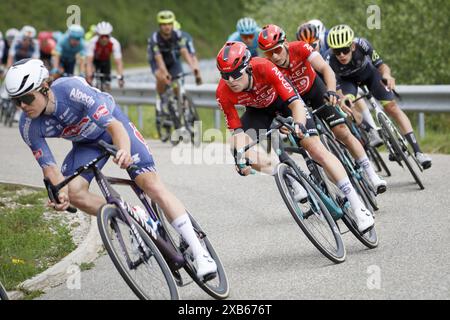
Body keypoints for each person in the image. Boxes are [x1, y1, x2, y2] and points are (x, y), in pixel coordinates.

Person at [4, 58, 217, 280]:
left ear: (44, 88)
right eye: (15, 101)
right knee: (74, 192)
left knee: (150, 184)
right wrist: (61, 195)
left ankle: (200, 252)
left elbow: (114, 127)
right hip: (86, 144)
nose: (22, 106)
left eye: (26, 98)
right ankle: (132, 216)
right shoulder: (28, 126)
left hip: (113, 129)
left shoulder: (72, 91)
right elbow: (50, 170)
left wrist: (123, 151)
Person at [216, 41, 375, 233]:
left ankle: (358, 206)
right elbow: (237, 132)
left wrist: (298, 125)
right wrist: (240, 158)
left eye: (235, 74)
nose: (231, 80)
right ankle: (285, 174)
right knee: (238, 149)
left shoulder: (265, 67)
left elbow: (296, 104)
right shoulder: (223, 92)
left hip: (286, 102)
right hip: (258, 112)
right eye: (225, 76)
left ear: (247, 68)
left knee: (315, 149)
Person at [258, 24, 386, 193]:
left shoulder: (301, 47)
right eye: (269, 53)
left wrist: (331, 90)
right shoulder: (268, 66)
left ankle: (372, 175)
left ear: (286, 43)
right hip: (294, 102)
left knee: (342, 131)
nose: (274, 56)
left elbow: (325, 69)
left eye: (277, 50)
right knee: (313, 147)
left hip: (315, 91)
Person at [325, 25, 432, 169]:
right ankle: (370, 130)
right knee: (346, 107)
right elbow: (334, 85)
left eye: (345, 50)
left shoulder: (363, 44)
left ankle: (418, 152)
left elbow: (382, 65)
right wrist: (342, 99)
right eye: (337, 52)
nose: (342, 55)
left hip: (369, 75)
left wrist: (387, 76)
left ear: (353, 46)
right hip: (347, 82)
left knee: (391, 107)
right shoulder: (328, 59)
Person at [147, 10, 201, 126]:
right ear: (160, 26)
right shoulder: (155, 38)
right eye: (164, 24)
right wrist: (165, 73)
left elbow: (184, 51)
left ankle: (178, 104)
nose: (167, 27)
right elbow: (158, 58)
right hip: (157, 60)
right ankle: (161, 101)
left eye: (169, 24)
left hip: (171, 60)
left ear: (172, 24)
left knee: (177, 84)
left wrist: (193, 68)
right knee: (162, 78)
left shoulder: (177, 35)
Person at [86, 21, 125, 90]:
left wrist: (120, 77)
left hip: (105, 61)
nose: (104, 39)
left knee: (107, 85)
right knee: (89, 81)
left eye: (106, 36)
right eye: (102, 36)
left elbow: (118, 62)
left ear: (110, 35)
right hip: (95, 61)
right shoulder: (92, 42)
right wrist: (89, 74)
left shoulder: (114, 43)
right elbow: (89, 61)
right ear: (98, 35)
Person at [174, 20, 202, 85]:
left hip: (176, 51)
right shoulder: (186, 35)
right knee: (192, 56)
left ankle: (196, 72)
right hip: (184, 50)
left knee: (183, 52)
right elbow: (192, 52)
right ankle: (197, 73)